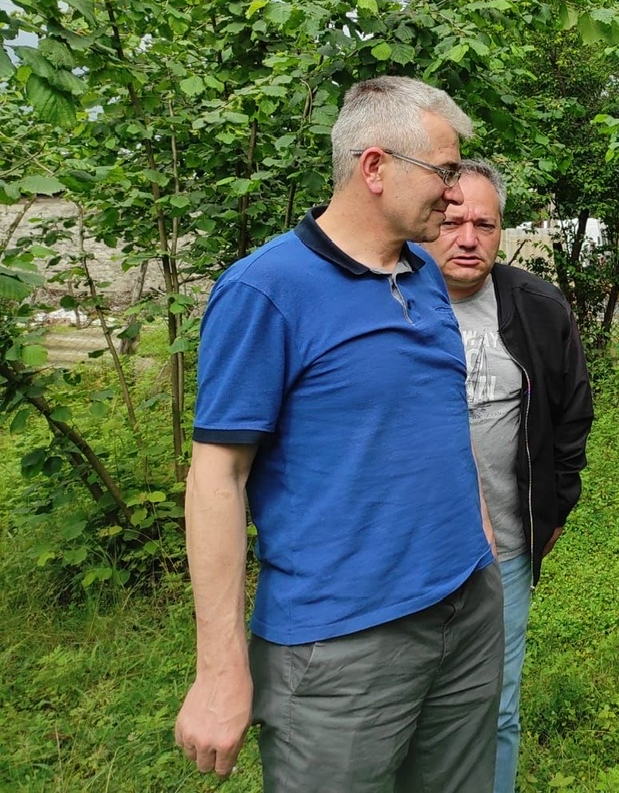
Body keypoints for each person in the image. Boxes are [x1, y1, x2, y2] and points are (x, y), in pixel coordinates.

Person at [174, 76, 504, 792]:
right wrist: (220, 671)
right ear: (375, 167)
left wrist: (477, 529)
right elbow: (216, 479)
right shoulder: (266, 291)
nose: (455, 194)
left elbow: (436, 414)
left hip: (465, 607)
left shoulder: (422, 275)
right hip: (342, 645)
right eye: (444, 172)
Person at [420, 159, 593, 793]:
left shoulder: (537, 307)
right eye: (454, 220)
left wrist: (555, 508)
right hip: (407, 554)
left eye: (484, 224)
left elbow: (572, 414)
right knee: (413, 710)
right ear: (426, 220)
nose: (468, 238)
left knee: (496, 703)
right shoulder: (389, 300)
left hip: (507, 554)